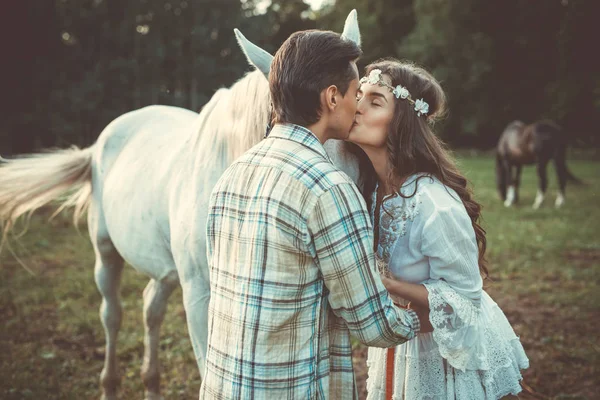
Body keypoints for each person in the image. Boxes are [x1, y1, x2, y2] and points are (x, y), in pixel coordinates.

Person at [201, 32, 422, 399]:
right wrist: (424, 318)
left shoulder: (232, 174)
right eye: (354, 95)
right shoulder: (329, 188)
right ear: (332, 97)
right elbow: (372, 324)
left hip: (223, 386)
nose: (358, 108)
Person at [348, 59, 529, 399]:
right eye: (358, 95)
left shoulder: (434, 203)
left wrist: (386, 284)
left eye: (375, 101)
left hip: (445, 354)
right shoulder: (369, 192)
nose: (357, 107)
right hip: (400, 342)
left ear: (401, 122)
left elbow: (465, 300)